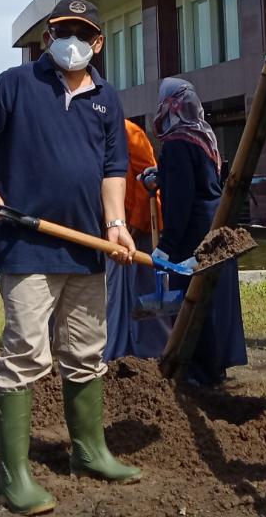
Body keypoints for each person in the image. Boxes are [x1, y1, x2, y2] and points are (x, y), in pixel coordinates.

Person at [0, 0, 141, 515]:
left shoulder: (108, 98)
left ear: (98, 43)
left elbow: (112, 169)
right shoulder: (15, 85)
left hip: (86, 249)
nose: (71, 40)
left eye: (82, 33)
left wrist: (116, 226)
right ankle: (12, 475)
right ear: (47, 38)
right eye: (61, 31)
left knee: (86, 351)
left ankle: (89, 451)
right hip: (27, 244)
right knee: (26, 355)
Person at [154, 77, 247, 386]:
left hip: (192, 236)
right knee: (217, 299)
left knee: (193, 302)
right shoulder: (204, 136)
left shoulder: (176, 142)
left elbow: (180, 199)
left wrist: (166, 246)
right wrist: (161, 176)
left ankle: (199, 371)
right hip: (216, 226)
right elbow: (201, 181)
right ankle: (218, 366)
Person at [104, 119, 169, 360]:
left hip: (139, 228)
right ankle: (119, 345)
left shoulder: (131, 133)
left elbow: (146, 179)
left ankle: (152, 349)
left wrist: (136, 222)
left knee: (145, 289)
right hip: (113, 229)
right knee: (116, 291)